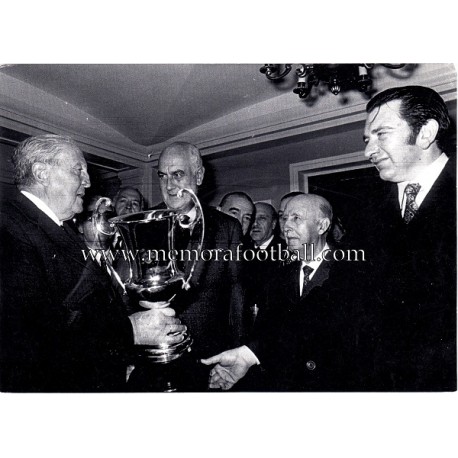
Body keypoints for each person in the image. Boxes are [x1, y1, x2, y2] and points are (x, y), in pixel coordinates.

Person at [0, 134, 186, 392]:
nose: (87, 182)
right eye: (79, 170)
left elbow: (83, 314)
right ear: (41, 173)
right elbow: (30, 344)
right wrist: (130, 331)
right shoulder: (8, 230)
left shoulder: (61, 230)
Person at [202, 194, 355, 391]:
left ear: (322, 226)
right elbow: (269, 333)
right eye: (284, 218)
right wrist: (247, 357)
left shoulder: (353, 271)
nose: (286, 227)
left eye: (296, 218)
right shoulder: (278, 278)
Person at [358, 85, 456, 391]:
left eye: (381, 134)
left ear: (425, 133)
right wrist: (253, 351)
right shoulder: (368, 210)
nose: (367, 151)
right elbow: (340, 292)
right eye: (366, 139)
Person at [128, 141, 246, 391]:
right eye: (163, 176)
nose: (169, 186)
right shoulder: (142, 225)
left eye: (178, 175)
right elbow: (126, 295)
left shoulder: (227, 228)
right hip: (153, 362)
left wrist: (233, 353)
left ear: (199, 175)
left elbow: (236, 296)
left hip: (208, 361)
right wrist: (127, 356)